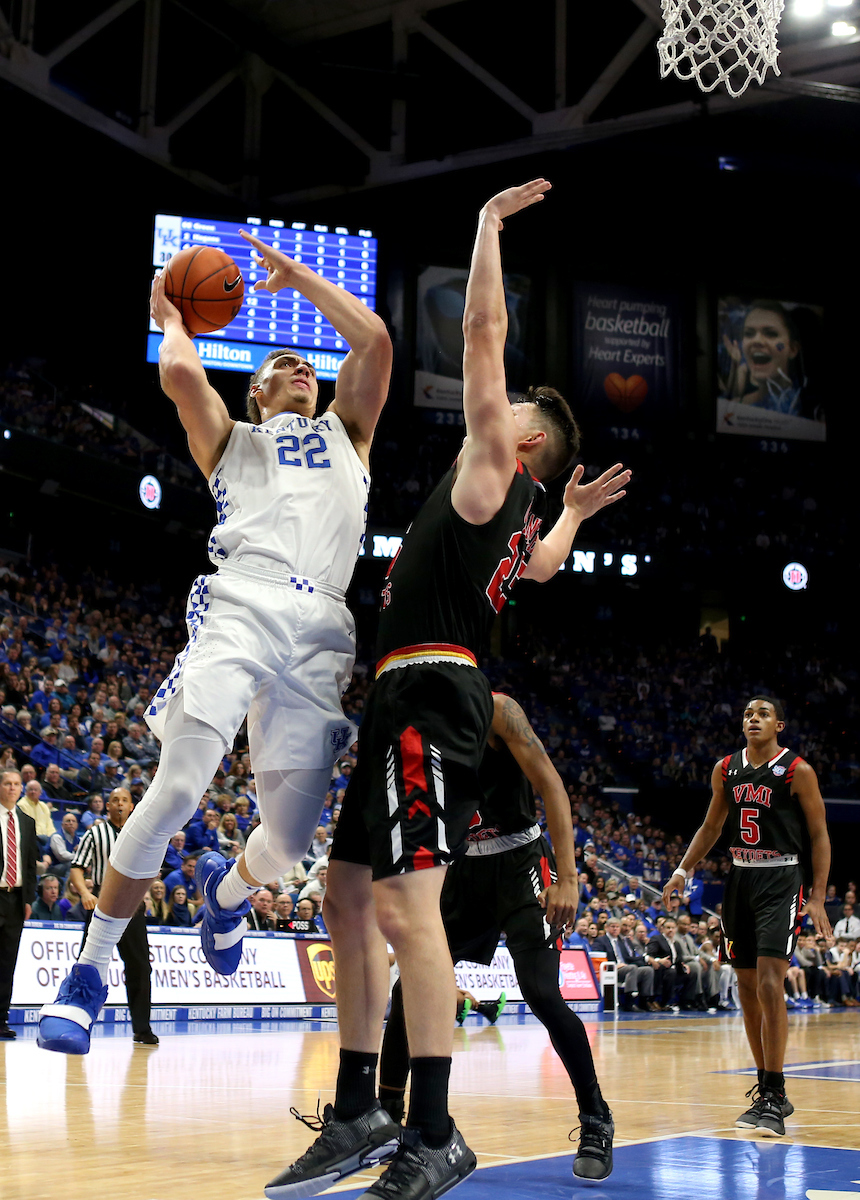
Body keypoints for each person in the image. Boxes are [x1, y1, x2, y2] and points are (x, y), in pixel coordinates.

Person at [270, 180, 628, 1200]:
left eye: (513, 412)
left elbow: (480, 328)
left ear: (522, 443)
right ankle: (358, 1107)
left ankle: (432, 1131)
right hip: (404, 691)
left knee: (402, 902)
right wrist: (573, 513)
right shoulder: (519, 515)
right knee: (346, 892)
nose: (496, 407)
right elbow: (545, 564)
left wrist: (484, 226)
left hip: (433, 690)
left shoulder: (489, 465)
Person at [38, 223, 393, 1057]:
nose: (300, 370)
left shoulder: (350, 433)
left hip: (324, 630)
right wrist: (171, 317)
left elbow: (374, 341)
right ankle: (88, 972)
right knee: (178, 788)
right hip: (242, 604)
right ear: (256, 393)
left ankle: (226, 895)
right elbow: (178, 375)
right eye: (282, 367)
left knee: (290, 843)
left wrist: (299, 278)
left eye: (306, 367)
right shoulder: (231, 440)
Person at [378, 693, 614, 1179]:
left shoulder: (497, 710)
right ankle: (385, 1118)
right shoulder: (413, 721)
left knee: (542, 993)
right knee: (409, 991)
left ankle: (596, 1118)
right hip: (463, 868)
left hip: (522, 861)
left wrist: (568, 878)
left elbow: (552, 787)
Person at [662, 696, 831, 1138]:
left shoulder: (797, 770)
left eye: (763, 714)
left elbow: (819, 835)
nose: (753, 719)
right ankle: (766, 1088)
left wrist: (817, 896)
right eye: (747, 714)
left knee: (772, 983)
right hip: (739, 879)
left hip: (781, 878)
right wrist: (682, 870)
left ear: (779, 725)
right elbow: (711, 826)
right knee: (747, 986)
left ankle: (775, 1091)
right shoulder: (726, 768)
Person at [38, 787, 159, 1049]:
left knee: (140, 967)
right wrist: (84, 893)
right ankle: (76, 1020)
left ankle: (142, 1028)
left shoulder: (142, 834)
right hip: (102, 904)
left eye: (124, 800)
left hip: (134, 907)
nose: (119, 804)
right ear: (107, 806)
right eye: (115, 800)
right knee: (87, 967)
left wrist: (147, 894)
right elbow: (77, 868)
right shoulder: (95, 833)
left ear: (131, 806)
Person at [0, 769, 38, 1039]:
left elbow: (30, 865)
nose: (12, 788)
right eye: (7, 783)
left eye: (16, 784)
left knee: (7, 962)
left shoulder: (26, 821)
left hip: (16, 899)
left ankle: (1, 1018)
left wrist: (28, 899)